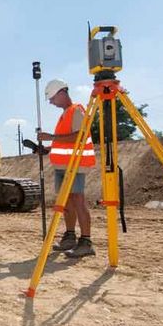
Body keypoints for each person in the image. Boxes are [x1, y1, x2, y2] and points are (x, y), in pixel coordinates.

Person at [36, 78, 97, 258]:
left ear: (62, 93)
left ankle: (86, 241)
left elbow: (79, 136)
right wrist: (47, 148)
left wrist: (50, 137)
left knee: (78, 200)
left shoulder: (76, 110)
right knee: (67, 203)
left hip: (75, 164)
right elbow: (64, 141)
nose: (51, 102)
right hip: (63, 166)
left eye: (52, 98)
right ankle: (70, 237)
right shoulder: (65, 114)